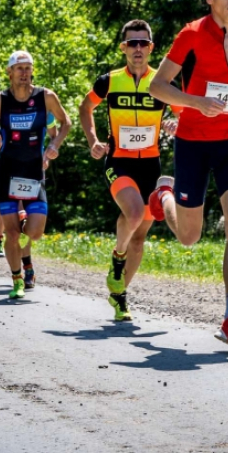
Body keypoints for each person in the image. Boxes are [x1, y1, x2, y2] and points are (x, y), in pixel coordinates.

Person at [148, 0, 228, 348]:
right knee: (188, 236)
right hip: (193, 143)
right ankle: (163, 196)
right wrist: (196, 103)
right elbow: (158, 87)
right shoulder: (192, 36)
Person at [79, 19, 180, 321]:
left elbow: (185, 114)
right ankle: (117, 258)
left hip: (150, 164)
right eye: (132, 43)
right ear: (123, 48)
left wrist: (175, 123)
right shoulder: (109, 81)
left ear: (151, 48)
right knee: (134, 213)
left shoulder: (162, 84)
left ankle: (119, 295)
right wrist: (93, 140)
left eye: (143, 43)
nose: (138, 49)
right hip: (119, 161)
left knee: (140, 237)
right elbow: (86, 108)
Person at [0, 51, 71, 299]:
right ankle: (17, 279)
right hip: (7, 172)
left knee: (34, 233)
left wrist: (54, 147)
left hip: (34, 172)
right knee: (11, 234)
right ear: (9, 72)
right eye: (19, 68)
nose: (24, 73)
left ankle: (23, 219)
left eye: (28, 68)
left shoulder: (46, 97)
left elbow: (66, 123)